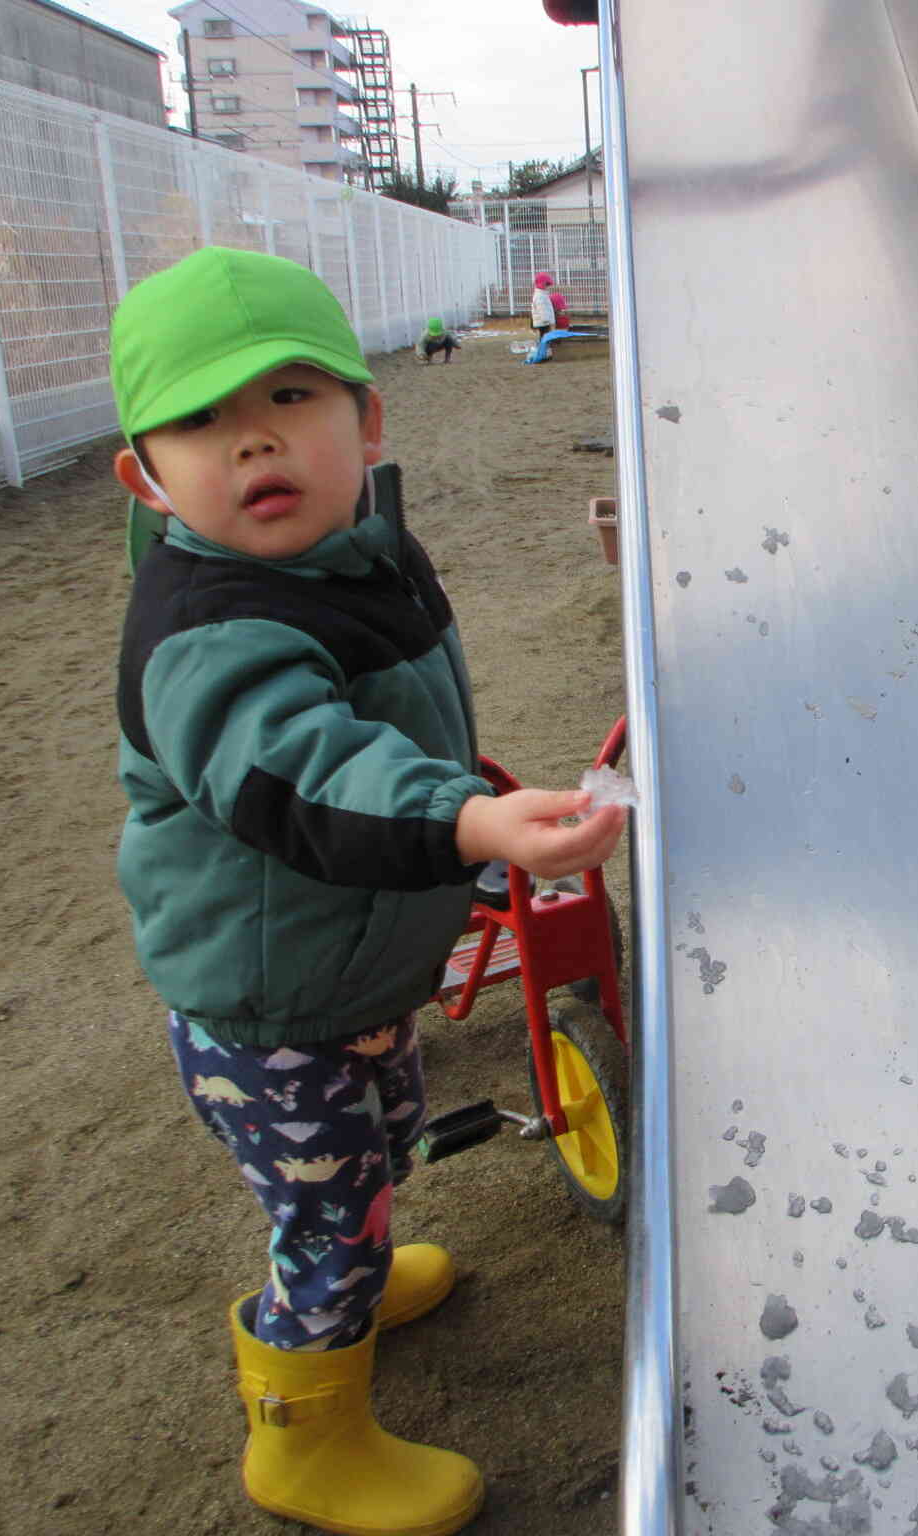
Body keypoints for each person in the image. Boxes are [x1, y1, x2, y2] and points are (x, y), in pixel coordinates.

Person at [108, 246, 626, 1536]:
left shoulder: (355, 555)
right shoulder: (208, 634)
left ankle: (356, 1250)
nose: (250, 443)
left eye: (289, 399)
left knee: (385, 1128)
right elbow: (307, 767)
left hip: (353, 965)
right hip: (268, 1005)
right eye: (200, 422)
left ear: (365, 421)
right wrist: (466, 816)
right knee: (325, 1211)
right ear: (144, 478)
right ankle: (304, 1437)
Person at [530, 270, 558, 338]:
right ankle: (544, 347)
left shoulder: (542, 294)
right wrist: (546, 320)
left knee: (544, 336)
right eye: (547, 284)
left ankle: (544, 346)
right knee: (544, 336)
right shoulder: (540, 296)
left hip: (543, 321)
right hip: (543, 322)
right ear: (543, 284)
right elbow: (542, 308)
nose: (548, 287)